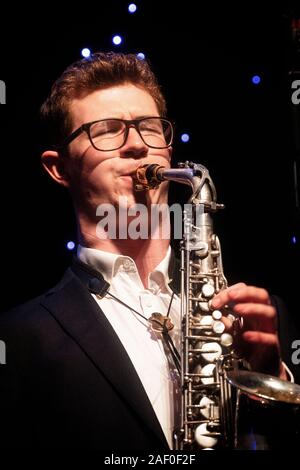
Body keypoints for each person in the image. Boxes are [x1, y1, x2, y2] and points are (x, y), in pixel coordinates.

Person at [0, 51, 298, 450]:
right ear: (60, 168)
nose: (137, 145)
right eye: (107, 130)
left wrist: (270, 378)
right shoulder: (19, 338)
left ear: (168, 151)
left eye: (149, 128)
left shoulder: (261, 321)